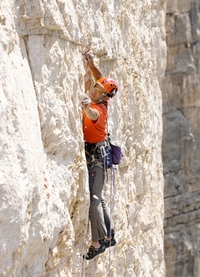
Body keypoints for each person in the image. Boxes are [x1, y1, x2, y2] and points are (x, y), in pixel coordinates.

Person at [82, 51, 118, 260]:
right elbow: (100, 79)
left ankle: (98, 243)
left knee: (94, 198)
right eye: (95, 88)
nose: (94, 91)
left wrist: (87, 107)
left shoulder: (99, 109)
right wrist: (92, 65)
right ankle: (109, 235)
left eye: (98, 91)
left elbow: (94, 116)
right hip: (98, 152)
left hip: (97, 156)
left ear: (104, 97)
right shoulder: (102, 94)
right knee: (99, 196)